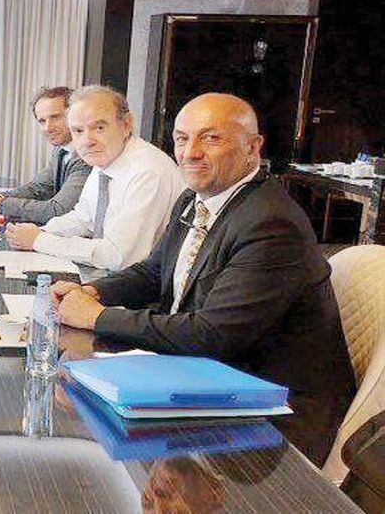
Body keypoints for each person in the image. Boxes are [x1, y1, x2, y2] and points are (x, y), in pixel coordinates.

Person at [53, 93, 356, 465]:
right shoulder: (194, 199)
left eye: (211, 138)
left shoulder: (271, 223)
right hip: (209, 377)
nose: (190, 152)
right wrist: (91, 291)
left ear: (252, 147)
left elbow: (213, 335)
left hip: (272, 411)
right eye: (182, 139)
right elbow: (154, 272)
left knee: (106, 448)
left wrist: (96, 317)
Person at [5, 85, 184, 271]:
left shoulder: (147, 170)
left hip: (150, 284)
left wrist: (40, 240)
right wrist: (38, 232)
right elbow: (83, 219)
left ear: (127, 124)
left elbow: (117, 256)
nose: (87, 141)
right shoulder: (105, 160)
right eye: (78, 131)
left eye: (99, 128)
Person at [0, 86, 92, 224]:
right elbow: (38, 188)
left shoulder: (88, 156)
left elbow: (58, 211)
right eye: (42, 121)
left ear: (76, 115)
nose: (48, 128)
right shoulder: (60, 150)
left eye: (55, 117)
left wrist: (0, 204)